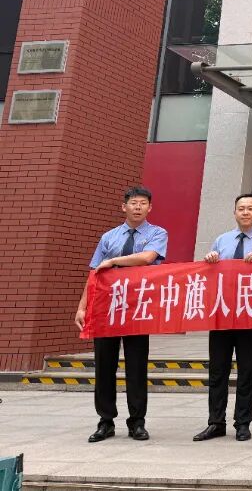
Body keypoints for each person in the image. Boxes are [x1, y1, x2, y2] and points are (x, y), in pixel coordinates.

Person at [75, 186, 168, 443]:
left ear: (150, 208)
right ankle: (105, 421)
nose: (138, 207)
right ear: (124, 207)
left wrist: (115, 261)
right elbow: (95, 274)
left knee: (136, 367)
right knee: (104, 366)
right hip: (106, 308)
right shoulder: (109, 237)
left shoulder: (157, 233)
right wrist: (82, 307)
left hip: (138, 308)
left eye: (143, 203)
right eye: (133, 203)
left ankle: (137, 422)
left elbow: (148, 258)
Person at [194, 194, 252, 443]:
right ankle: (215, 422)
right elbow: (210, 275)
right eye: (241, 208)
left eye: (250, 208)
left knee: (246, 371)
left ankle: (243, 423)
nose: (245, 212)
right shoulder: (222, 240)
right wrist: (210, 261)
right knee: (217, 371)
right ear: (234, 212)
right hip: (221, 313)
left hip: (250, 315)